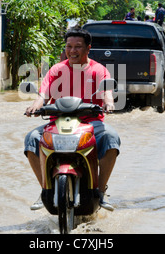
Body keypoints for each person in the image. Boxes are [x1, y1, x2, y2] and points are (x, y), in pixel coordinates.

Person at [24, 26, 121, 212]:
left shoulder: (99, 70)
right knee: (31, 139)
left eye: (77, 46)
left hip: (91, 123)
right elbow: (42, 94)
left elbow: (107, 92)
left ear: (88, 48)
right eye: (69, 46)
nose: (72, 51)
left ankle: (100, 191)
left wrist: (109, 103)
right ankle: (45, 190)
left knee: (111, 138)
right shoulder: (56, 70)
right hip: (56, 122)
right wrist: (35, 105)